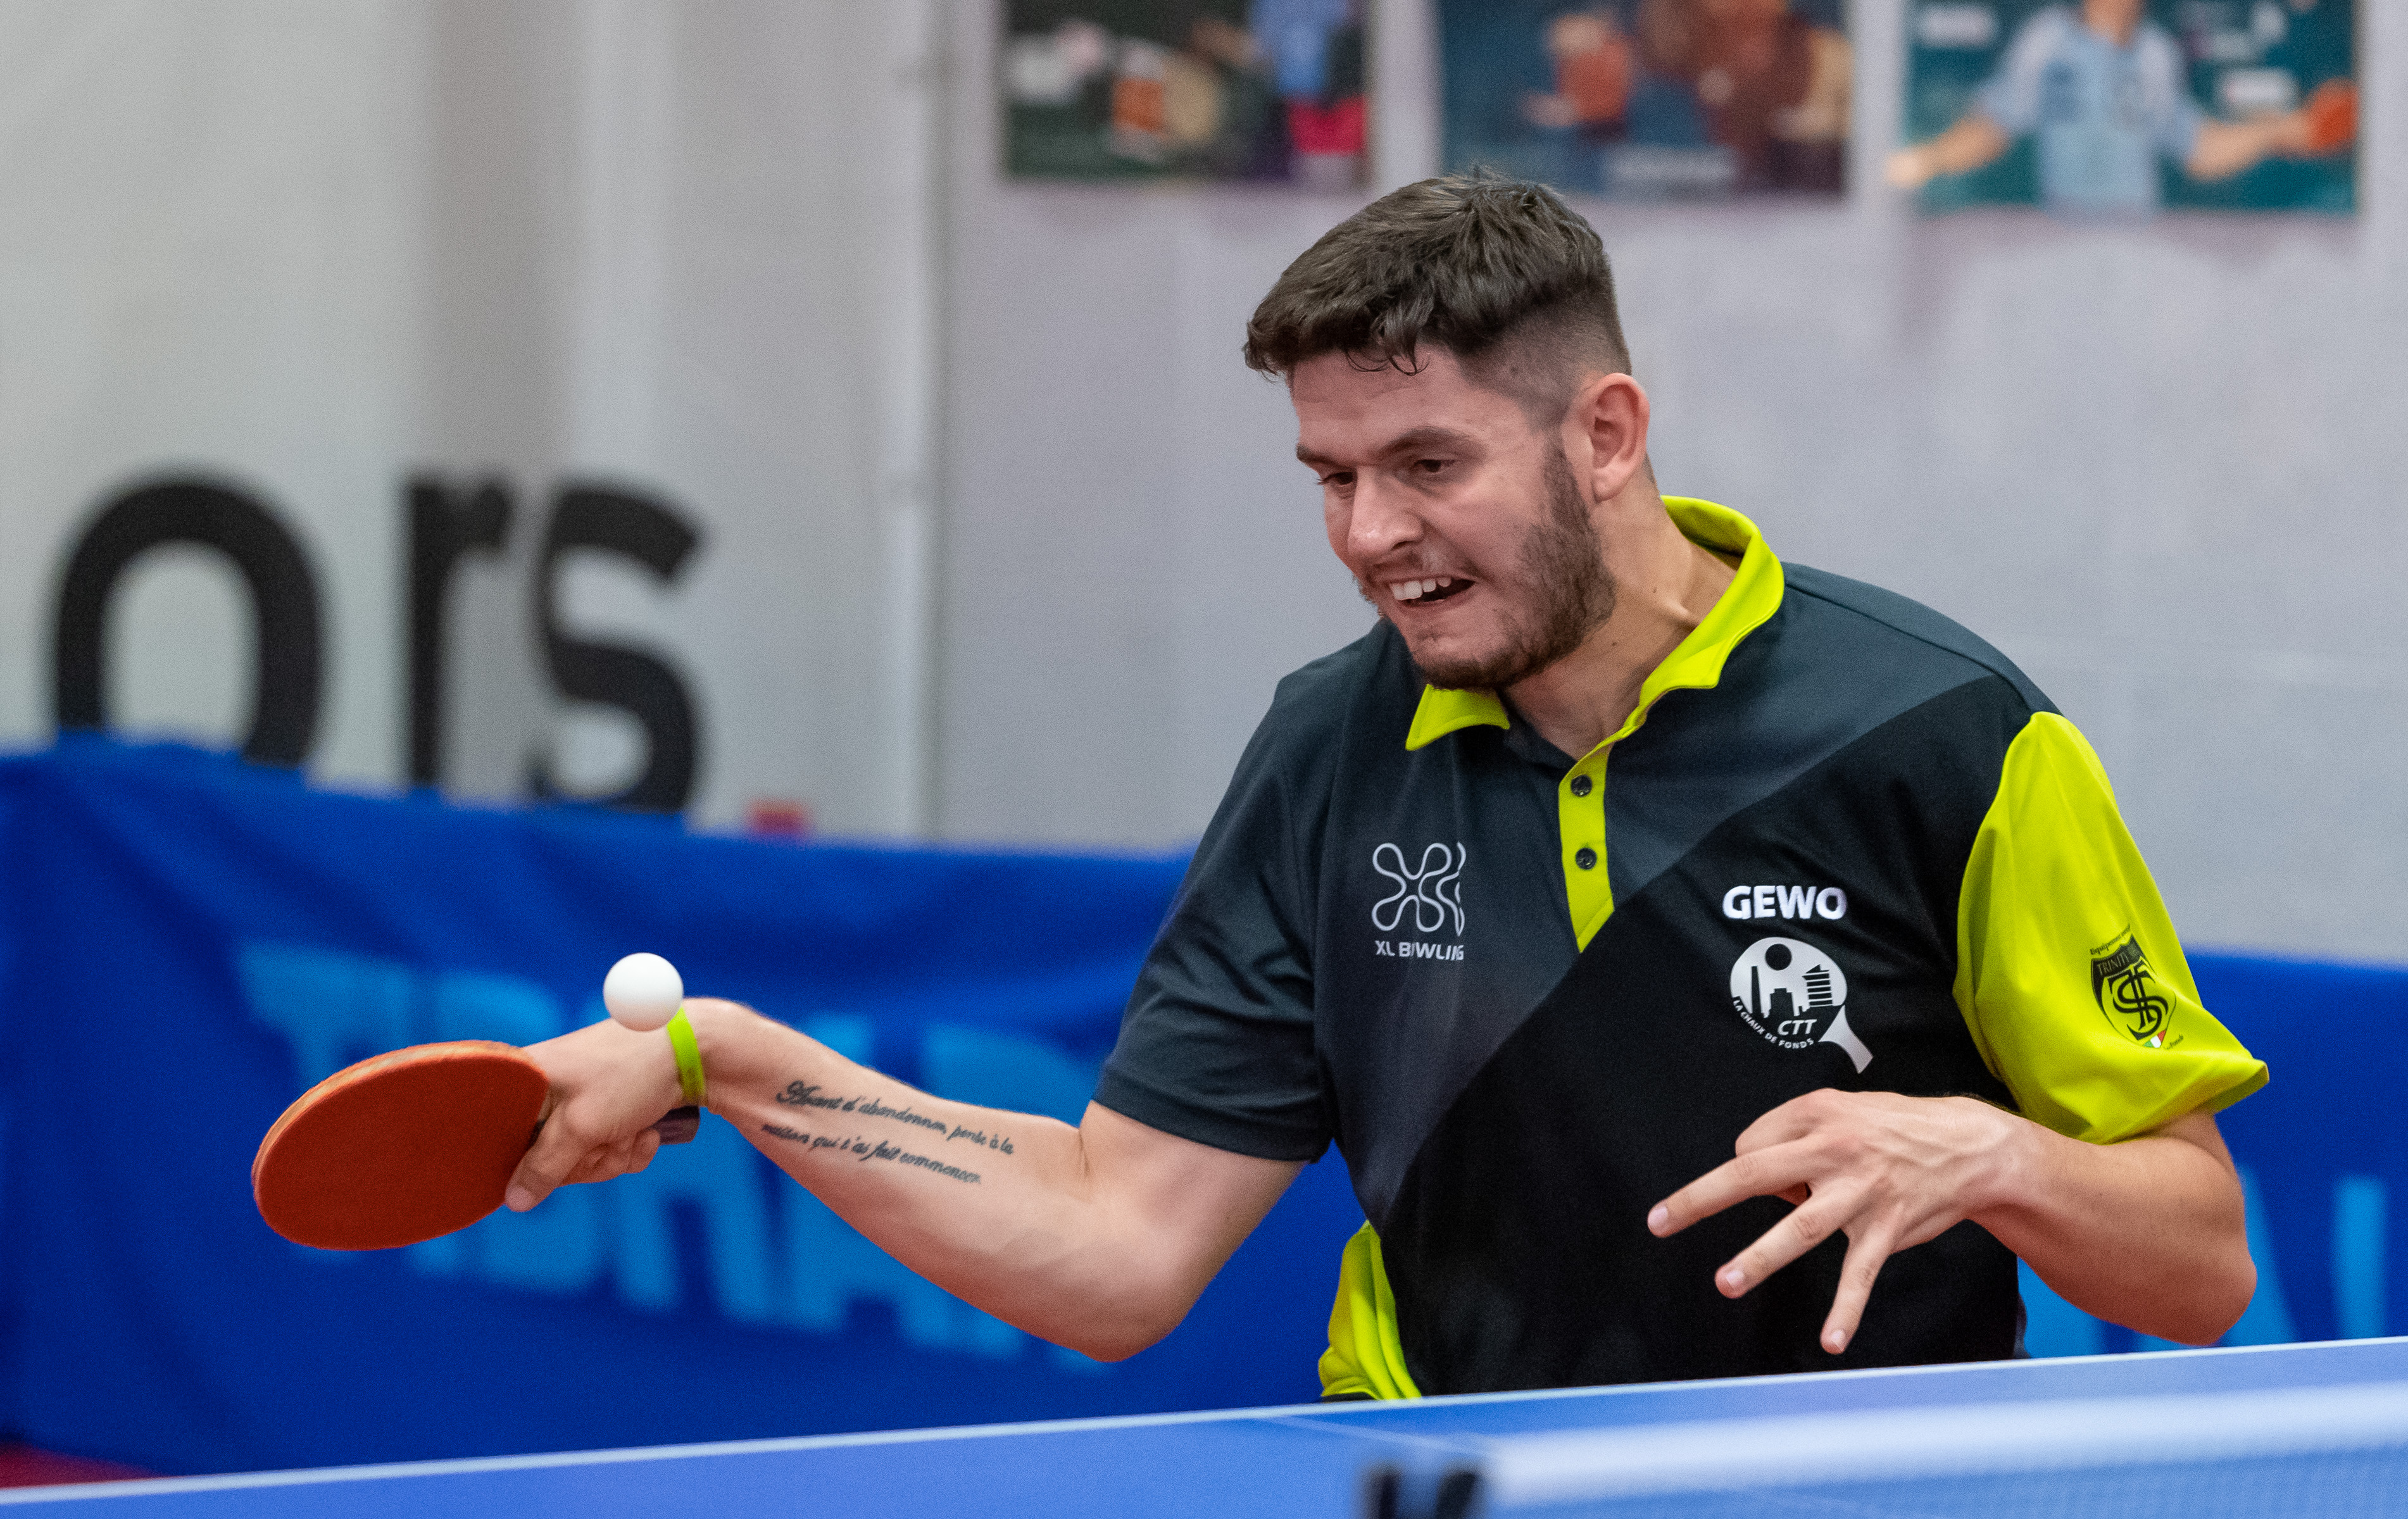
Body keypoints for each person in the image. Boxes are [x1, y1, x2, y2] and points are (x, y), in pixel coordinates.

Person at [504, 174, 2266, 1397]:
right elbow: (1115, 1247)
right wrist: (733, 1059)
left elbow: (2199, 1269)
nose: (1368, 535)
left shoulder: (1942, 732)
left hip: (1858, 1486)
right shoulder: (1330, 752)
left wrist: (1992, 1154)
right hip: (1447, 1469)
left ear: (1605, 434)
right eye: (1330, 475)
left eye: (1427, 464)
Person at [1886, 0, 2338, 215]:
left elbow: (2199, 148)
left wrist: (2282, 130)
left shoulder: (2155, 54)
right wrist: (1924, 161)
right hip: (2058, 245)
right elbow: (1991, 127)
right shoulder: (2047, 42)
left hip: (2137, 244)